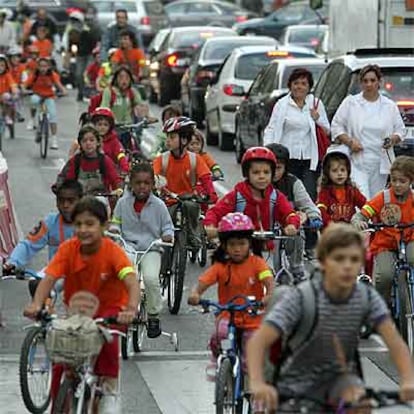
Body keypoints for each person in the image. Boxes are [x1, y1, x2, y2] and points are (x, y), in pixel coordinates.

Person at [247, 223, 414, 413]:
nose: (347, 266)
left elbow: (395, 342)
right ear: (323, 261)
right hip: (296, 382)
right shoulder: (302, 297)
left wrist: (408, 379)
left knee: (361, 405)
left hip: (341, 378)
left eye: (354, 259)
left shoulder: (365, 296)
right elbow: (258, 342)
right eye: (339, 259)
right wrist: (258, 384)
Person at [23, 196, 140, 413]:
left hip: (111, 310)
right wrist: (36, 304)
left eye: (90, 224)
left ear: (104, 226)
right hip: (78, 311)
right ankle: (60, 403)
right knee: (62, 357)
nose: (83, 229)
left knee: (108, 340)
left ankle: (109, 389)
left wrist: (131, 309)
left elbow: (131, 281)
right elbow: (49, 278)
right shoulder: (68, 249)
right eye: (78, 224)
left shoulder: (113, 252)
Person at [188, 212, 274, 380]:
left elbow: (268, 281)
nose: (237, 249)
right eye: (232, 244)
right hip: (227, 314)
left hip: (252, 316)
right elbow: (204, 281)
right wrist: (195, 293)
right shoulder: (221, 266)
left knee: (250, 354)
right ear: (224, 246)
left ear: (250, 244)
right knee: (219, 336)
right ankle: (216, 360)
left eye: (242, 244)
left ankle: (252, 389)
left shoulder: (257, 263)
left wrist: (269, 295)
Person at [110, 162, 174, 338]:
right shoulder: (123, 203)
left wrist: (167, 236)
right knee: (123, 276)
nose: (142, 187)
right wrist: (115, 230)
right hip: (128, 246)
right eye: (138, 183)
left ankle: (153, 315)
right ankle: (121, 308)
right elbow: (116, 222)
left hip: (151, 248)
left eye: (146, 183)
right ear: (131, 184)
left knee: (151, 278)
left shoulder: (159, 205)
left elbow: (168, 226)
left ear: (153, 184)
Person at [204, 147, 300, 260]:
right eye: (256, 172)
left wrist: (292, 225)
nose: (261, 176)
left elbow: (289, 213)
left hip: (266, 250)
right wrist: (210, 226)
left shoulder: (276, 197)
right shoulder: (237, 196)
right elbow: (215, 212)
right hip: (238, 251)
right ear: (247, 174)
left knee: (271, 274)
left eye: (266, 172)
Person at [331, 64, 406, 199]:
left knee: (376, 199)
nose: (369, 84)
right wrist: (350, 141)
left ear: (379, 82)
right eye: (365, 81)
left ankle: (372, 221)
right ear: (361, 83)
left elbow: (400, 130)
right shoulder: (351, 103)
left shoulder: (389, 106)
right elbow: (336, 126)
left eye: (372, 80)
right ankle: (362, 219)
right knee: (362, 198)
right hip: (357, 160)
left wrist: (392, 140)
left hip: (380, 162)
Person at [352, 156, 414, 305]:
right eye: (394, 180)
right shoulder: (383, 197)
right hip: (385, 243)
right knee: (385, 275)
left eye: (402, 181)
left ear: (411, 181)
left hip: (410, 238)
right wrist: (359, 221)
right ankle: (380, 307)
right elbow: (363, 213)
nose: (397, 185)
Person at [263, 68, 330, 202]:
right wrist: (268, 150)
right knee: (288, 194)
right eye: (296, 83)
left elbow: (327, 130)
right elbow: (271, 128)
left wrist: (318, 118)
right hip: (287, 158)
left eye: (303, 83)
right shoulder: (282, 104)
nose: (299, 87)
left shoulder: (316, 104)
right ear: (290, 85)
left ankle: (308, 220)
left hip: (310, 158)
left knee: (309, 194)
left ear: (309, 87)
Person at [153, 116, 218, 249]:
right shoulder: (162, 159)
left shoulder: (195, 159)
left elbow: (206, 177)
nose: (168, 141)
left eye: (172, 137)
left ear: (184, 140)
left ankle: (193, 235)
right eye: (167, 137)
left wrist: (211, 194)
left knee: (193, 209)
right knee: (162, 217)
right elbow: (153, 176)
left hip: (189, 197)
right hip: (168, 199)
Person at [266, 143, 322, 280]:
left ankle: (296, 267)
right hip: (262, 231)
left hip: (288, 227)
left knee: (297, 230)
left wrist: (313, 217)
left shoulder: (293, 183)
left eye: (278, 168)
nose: (274, 173)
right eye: (269, 168)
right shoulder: (255, 183)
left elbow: (308, 205)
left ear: (286, 167)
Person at [4, 179, 83, 275]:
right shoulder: (50, 222)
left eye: (71, 201)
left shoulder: (89, 224)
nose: (65, 205)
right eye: (61, 200)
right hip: (55, 277)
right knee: (34, 284)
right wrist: (13, 262)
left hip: (83, 276)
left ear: (81, 201)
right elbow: (28, 244)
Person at [56, 124, 123, 196]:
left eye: (91, 140)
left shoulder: (104, 160)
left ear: (98, 142)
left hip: (101, 200)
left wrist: (119, 189)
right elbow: (67, 181)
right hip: (79, 199)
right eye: (84, 141)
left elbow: (115, 178)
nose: (88, 143)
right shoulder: (75, 161)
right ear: (80, 144)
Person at [23, 56, 67, 150]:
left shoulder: (52, 74)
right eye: (41, 66)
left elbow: (59, 85)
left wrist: (63, 91)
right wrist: (24, 90)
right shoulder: (35, 74)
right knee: (33, 100)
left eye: (45, 66)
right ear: (38, 67)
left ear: (49, 67)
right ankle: (32, 120)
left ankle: (54, 139)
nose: (43, 68)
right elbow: (26, 84)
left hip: (49, 96)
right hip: (37, 95)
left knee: (53, 116)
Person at [317, 145, 367, 227]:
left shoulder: (352, 190)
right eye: (334, 171)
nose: (339, 173)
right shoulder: (325, 191)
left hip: (350, 230)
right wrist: (329, 223)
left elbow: (366, 206)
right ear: (327, 173)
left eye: (343, 170)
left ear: (348, 171)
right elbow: (321, 210)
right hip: (332, 230)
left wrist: (363, 219)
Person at [0, 54, 19, 125]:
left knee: (7, 96)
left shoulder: (7, 75)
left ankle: (7, 116)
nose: (0, 68)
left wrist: (15, 91)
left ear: (6, 67)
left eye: (2, 66)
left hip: (4, 97)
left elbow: (12, 84)